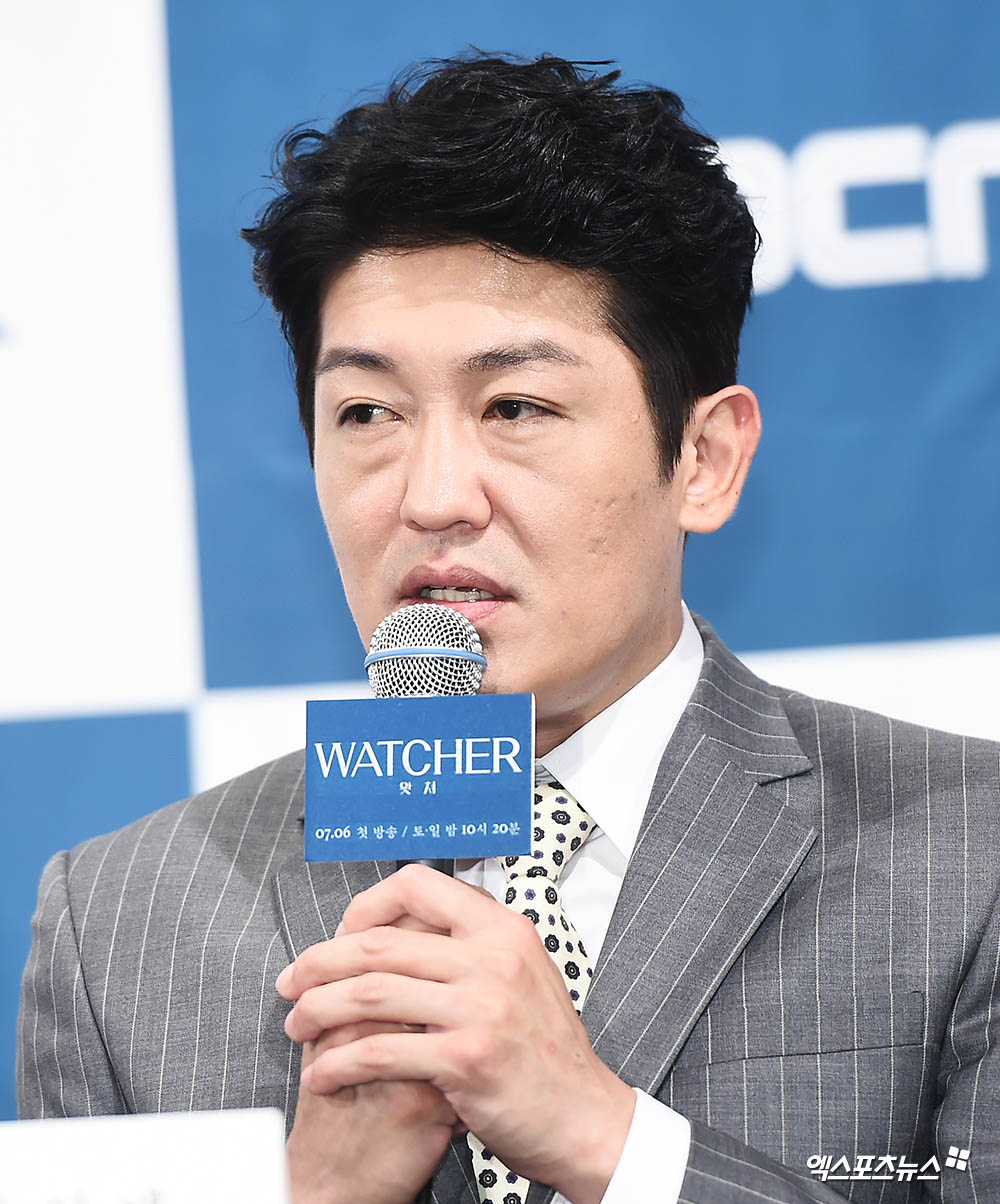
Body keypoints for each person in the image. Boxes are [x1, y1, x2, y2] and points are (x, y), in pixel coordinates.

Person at [17, 51, 999, 1204]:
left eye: (515, 406)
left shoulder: (969, 859)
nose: (433, 495)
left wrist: (606, 1141)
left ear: (703, 457)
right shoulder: (120, 928)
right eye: (367, 411)